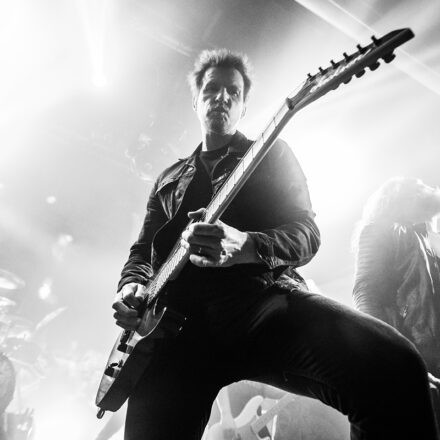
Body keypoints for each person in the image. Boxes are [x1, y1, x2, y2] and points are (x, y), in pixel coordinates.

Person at [112, 49, 438, 439]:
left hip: (260, 307)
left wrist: (246, 245)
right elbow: (142, 250)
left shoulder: (270, 154)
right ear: (196, 100)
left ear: (243, 107)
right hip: (175, 334)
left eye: (233, 92)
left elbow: (307, 234)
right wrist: (132, 287)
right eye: (212, 89)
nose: (222, 97)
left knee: (395, 368)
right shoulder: (168, 179)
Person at [353, 177, 440, 428]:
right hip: (416, 354)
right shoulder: (379, 230)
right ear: (402, 195)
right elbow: (365, 295)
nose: (429, 188)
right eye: (420, 185)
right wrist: (395, 358)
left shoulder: (425, 237)